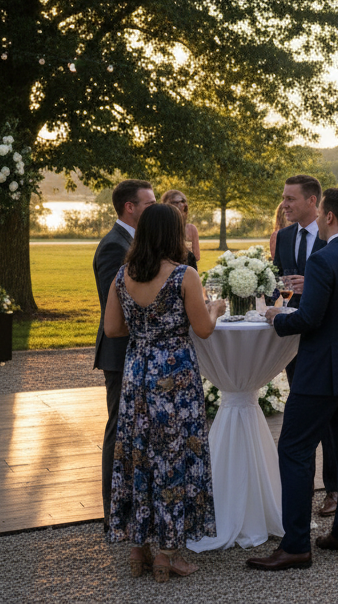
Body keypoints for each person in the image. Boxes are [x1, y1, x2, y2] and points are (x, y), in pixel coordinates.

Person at [249, 188, 338, 572]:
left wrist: (277, 317)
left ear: (327, 216)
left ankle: (294, 546)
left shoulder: (323, 260)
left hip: (320, 371)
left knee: (293, 448)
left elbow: (308, 319)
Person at [102, 202, 226, 581]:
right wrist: (215, 309)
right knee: (173, 457)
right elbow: (203, 329)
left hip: (138, 374)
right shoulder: (184, 275)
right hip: (175, 376)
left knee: (138, 456)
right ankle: (168, 554)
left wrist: (144, 332)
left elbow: (112, 329)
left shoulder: (123, 276)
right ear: (174, 233)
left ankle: (138, 549)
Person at [270, 175, 338, 517]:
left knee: (326, 420)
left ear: (313, 201)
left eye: (291, 199)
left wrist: (309, 283)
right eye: (284, 198)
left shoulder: (332, 239)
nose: (285, 204)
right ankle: (300, 488)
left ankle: (334, 488)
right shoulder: (281, 237)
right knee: (299, 412)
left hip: (322, 338)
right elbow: (275, 283)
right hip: (290, 336)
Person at [92, 178, 154, 526]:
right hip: (121, 352)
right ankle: (112, 511)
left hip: (139, 350)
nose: (155, 208)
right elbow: (113, 308)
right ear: (130, 207)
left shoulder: (135, 242)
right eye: (149, 204)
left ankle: (134, 505)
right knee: (118, 431)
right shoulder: (114, 247)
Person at [161, 190, 200, 269]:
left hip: (188, 269)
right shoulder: (160, 228)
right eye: (180, 201)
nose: (184, 204)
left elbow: (197, 256)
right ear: (169, 204)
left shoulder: (191, 229)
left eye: (184, 201)